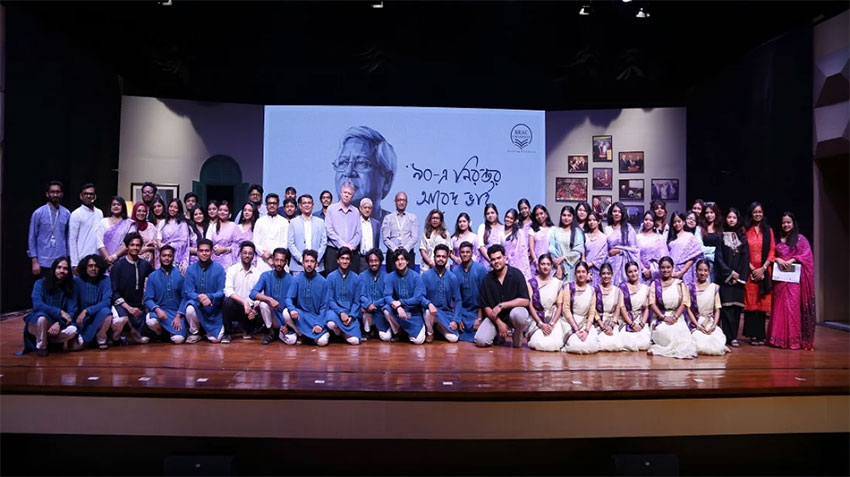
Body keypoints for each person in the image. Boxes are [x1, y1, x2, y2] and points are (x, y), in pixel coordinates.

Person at [768, 212, 816, 350]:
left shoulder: (801, 239)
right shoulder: (777, 238)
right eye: (784, 222)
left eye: (788, 222)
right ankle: (777, 340)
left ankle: (793, 341)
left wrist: (793, 259)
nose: (786, 225)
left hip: (794, 282)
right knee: (779, 308)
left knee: (792, 309)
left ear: (793, 223)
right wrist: (778, 259)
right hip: (779, 280)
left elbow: (807, 256)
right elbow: (771, 255)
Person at [333, 126, 397, 223]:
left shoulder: (395, 225)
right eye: (342, 163)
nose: (348, 172)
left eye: (362, 163)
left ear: (387, 181)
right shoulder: (322, 223)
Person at [474, 244, 531, 348]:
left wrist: (502, 305)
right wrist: (499, 323)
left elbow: (525, 300)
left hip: (513, 315)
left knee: (520, 315)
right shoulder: (487, 279)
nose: (496, 261)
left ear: (505, 257)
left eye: (499, 258)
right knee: (480, 341)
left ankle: (517, 333)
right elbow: (485, 306)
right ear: (490, 261)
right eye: (493, 259)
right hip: (495, 318)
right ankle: (498, 335)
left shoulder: (517, 274)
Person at [21, 257, 80, 356]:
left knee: (73, 330)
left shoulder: (72, 286)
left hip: (58, 324)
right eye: (59, 267)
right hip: (39, 322)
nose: (62, 271)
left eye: (65, 268)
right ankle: (42, 347)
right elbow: (37, 305)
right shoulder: (40, 283)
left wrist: (59, 323)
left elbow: (72, 311)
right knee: (41, 319)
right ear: (53, 269)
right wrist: (59, 312)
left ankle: (49, 340)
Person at [647, 256, 698, 359]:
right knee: (663, 331)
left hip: (677, 317)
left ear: (672, 268)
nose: (665, 270)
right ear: (659, 269)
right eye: (663, 267)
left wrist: (675, 317)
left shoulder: (679, 283)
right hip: (661, 317)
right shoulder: (655, 284)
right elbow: (652, 303)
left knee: (680, 331)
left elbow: (684, 302)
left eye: (668, 267)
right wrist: (663, 317)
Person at [110, 232, 154, 344]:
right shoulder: (118, 266)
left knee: (147, 330)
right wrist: (129, 308)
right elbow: (114, 292)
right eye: (132, 245)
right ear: (127, 246)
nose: (135, 248)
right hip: (122, 306)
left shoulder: (145, 265)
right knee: (122, 319)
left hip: (138, 306)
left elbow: (156, 277)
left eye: (138, 245)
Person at [714, 207, 748, 347]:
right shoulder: (721, 236)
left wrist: (739, 276)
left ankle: (734, 336)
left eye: (734, 217)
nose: (731, 220)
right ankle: (726, 336)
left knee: (736, 309)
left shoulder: (742, 237)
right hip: (726, 278)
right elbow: (718, 257)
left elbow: (745, 258)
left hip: (738, 279)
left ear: (737, 219)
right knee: (726, 308)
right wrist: (729, 273)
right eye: (729, 217)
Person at [250, 248, 298, 345]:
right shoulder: (265, 276)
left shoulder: (291, 280)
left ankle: (280, 332)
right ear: (272, 260)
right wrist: (269, 299)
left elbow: (294, 303)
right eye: (276, 260)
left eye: (282, 261)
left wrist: (287, 326)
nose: (279, 263)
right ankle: (270, 332)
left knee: (291, 340)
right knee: (263, 304)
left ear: (286, 262)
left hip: (284, 319)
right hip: (271, 316)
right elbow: (253, 294)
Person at [143, 245, 189, 345]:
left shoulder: (180, 275)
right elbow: (148, 299)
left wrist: (178, 316)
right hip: (160, 312)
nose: (167, 258)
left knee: (178, 340)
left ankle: (169, 333)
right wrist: (157, 310)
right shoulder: (152, 276)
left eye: (169, 256)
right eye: (164, 255)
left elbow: (184, 297)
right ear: (159, 257)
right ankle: (160, 333)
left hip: (175, 313)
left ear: (173, 257)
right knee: (151, 321)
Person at [183, 238, 226, 343]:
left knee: (216, 339)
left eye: (207, 250)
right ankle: (195, 332)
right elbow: (189, 292)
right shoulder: (191, 269)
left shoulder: (219, 268)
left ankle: (206, 330)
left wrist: (209, 297)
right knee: (189, 309)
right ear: (197, 252)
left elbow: (222, 291)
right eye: (201, 251)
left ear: (211, 252)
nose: (204, 253)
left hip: (214, 310)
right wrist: (200, 298)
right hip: (198, 306)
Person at [743, 201, 774, 346]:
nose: (757, 214)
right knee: (751, 302)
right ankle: (752, 335)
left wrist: (763, 268)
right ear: (751, 213)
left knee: (762, 302)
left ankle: (761, 335)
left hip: (764, 271)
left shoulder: (768, 230)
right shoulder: (745, 230)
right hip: (750, 271)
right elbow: (743, 251)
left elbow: (772, 250)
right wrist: (752, 269)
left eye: (760, 212)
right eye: (755, 212)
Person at [285, 250, 331, 346]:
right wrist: (292, 309)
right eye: (306, 261)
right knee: (286, 312)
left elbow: (325, 307)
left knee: (322, 342)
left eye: (312, 261)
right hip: (301, 317)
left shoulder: (323, 282)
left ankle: (309, 337)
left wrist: (319, 323)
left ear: (316, 264)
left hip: (316, 318)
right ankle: (300, 334)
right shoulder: (297, 279)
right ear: (302, 263)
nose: (309, 264)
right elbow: (288, 298)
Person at [383, 248, 427, 344]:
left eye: (402, 259)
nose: (400, 262)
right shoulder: (390, 277)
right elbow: (387, 296)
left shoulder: (416, 277)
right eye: (397, 260)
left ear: (407, 261)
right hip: (397, 311)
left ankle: (407, 332)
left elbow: (418, 298)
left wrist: (400, 302)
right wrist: (398, 307)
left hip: (414, 313)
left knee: (418, 341)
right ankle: (398, 332)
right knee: (386, 310)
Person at [222, 241, 262, 344]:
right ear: (240, 254)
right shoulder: (232, 269)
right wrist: (244, 302)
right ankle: (227, 333)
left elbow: (259, 294)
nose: (247, 255)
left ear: (253, 256)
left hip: (249, 310)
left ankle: (247, 329)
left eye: (250, 253)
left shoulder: (257, 273)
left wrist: (254, 310)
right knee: (227, 302)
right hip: (235, 307)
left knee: (262, 309)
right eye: (245, 253)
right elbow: (228, 290)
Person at [28, 180, 71, 278]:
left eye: (58, 192)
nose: (55, 195)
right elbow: (32, 238)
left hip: (61, 261)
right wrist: (34, 261)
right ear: (47, 194)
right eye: (52, 192)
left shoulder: (67, 213)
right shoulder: (38, 213)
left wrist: (69, 259)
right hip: (43, 261)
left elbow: (68, 238)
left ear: (62, 194)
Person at [421, 244, 462, 343]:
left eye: (443, 257)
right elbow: (420, 297)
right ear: (434, 257)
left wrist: (456, 320)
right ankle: (430, 332)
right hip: (429, 312)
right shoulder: (425, 276)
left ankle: (439, 327)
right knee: (428, 312)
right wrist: (428, 304)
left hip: (445, 314)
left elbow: (458, 300)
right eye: (438, 256)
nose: (441, 259)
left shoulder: (452, 277)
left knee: (454, 338)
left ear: (447, 258)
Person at [687, 260, 729, 355]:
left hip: (709, 323)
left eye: (705, 270)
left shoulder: (714, 288)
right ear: (696, 271)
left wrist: (714, 325)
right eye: (700, 270)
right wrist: (698, 325)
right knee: (699, 343)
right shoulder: (690, 287)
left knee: (715, 341)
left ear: (709, 272)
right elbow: (688, 309)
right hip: (696, 323)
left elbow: (717, 309)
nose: (703, 273)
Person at [526, 254, 566, 352]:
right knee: (538, 343)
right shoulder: (531, 283)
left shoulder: (558, 283)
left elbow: (559, 306)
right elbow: (530, 306)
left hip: (553, 319)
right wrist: (540, 324)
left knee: (555, 343)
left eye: (548, 264)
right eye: (543, 264)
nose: (545, 267)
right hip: (537, 319)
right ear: (538, 265)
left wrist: (552, 324)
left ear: (552, 266)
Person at [324, 247, 363, 345]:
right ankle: (339, 331)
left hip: (350, 313)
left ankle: (342, 333)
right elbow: (329, 299)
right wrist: (341, 312)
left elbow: (357, 301)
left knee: (355, 341)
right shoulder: (331, 277)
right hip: (335, 312)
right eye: (342, 258)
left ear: (350, 261)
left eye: (347, 259)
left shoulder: (356, 278)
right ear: (338, 260)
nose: (345, 261)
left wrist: (351, 316)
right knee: (331, 323)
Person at [73, 254, 113, 349]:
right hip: (81, 319)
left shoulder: (105, 280)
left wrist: (87, 310)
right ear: (85, 267)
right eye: (90, 266)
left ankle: (101, 338)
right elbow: (73, 304)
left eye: (96, 266)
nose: (93, 268)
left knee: (107, 312)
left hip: (97, 315)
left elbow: (106, 302)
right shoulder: (77, 281)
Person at [452, 241, 487, 343]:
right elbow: (455, 298)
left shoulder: (480, 269)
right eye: (462, 252)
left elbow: (483, 295)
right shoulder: (455, 271)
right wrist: (457, 318)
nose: (465, 254)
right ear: (459, 254)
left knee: (481, 336)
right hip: (462, 312)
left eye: (467, 252)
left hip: (477, 311)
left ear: (472, 253)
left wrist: (479, 318)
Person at [561, 262, 599, 354]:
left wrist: (586, 330)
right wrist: (576, 330)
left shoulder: (591, 290)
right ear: (575, 274)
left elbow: (592, 312)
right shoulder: (569, 287)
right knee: (576, 346)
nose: (581, 274)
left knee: (591, 346)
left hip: (585, 323)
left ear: (587, 274)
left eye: (583, 272)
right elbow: (566, 309)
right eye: (578, 272)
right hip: (570, 322)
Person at [324, 182, 362, 274]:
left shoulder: (356, 211)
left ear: (352, 196)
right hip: (334, 251)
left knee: (352, 279)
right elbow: (329, 230)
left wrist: (350, 246)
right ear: (340, 193)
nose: (346, 195)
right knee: (333, 278)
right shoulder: (331, 209)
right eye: (345, 192)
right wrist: (342, 245)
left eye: (349, 193)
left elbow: (359, 233)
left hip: (351, 251)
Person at [69, 183, 104, 274]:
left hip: (97, 259)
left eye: (91, 194)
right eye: (86, 194)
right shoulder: (76, 214)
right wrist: (74, 263)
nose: (89, 196)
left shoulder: (99, 213)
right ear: (81, 196)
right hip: (82, 259)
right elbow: (72, 239)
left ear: (95, 196)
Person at [288, 194, 328, 275]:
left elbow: (324, 243)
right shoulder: (293, 222)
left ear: (313, 205)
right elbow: (290, 243)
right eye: (304, 203)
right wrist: (301, 259)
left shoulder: (320, 222)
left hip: (316, 266)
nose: (307, 205)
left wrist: (316, 259)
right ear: (299, 205)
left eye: (309, 203)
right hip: (298, 266)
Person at [381, 192, 419, 273]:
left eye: (403, 200)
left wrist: (405, 250)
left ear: (406, 202)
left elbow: (414, 237)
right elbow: (385, 238)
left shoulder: (413, 218)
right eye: (399, 200)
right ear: (395, 202)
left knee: (409, 278)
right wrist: (395, 250)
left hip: (408, 253)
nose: (401, 202)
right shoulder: (388, 218)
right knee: (392, 278)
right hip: (392, 254)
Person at [618, 261, 652, 351]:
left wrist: (641, 324)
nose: (633, 274)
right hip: (627, 320)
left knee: (645, 343)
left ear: (638, 271)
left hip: (640, 320)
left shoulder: (645, 288)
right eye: (630, 272)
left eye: (635, 271)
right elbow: (622, 308)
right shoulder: (622, 288)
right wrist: (632, 324)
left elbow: (647, 308)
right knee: (627, 341)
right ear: (626, 274)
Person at [359, 249, 390, 341]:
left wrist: (374, 304)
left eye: (376, 261)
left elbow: (387, 296)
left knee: (386, 337)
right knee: (363, 309)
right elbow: (361, 295)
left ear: (380, 261)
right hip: (367, 310)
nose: (373, 263)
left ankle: (377, 330)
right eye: (371, 261)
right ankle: (367, 331)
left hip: (380, 311)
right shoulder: (362, 276)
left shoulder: (387, 277)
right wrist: (368, 304)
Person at [605, 202, 639, 286]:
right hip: (611, 263)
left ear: (623, 214)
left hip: (626, 264)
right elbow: (604, 249)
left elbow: (635, 249)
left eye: (619, 212)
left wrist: (620, 251)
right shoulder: (607, 229)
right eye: (614, 211)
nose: (617, 214)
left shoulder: (628, 228)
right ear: (611, 213)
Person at [549, 205, 585, 282]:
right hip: (557, 268)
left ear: (573, 217)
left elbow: (578, 250)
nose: (566, 218)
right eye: (564, 215)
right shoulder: (555, 231)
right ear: (560, 216)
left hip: (572, 267)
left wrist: (563, 258)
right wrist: (558, 266)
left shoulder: (577, 232)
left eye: (569, 215)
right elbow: (551, 249)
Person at [666, 212, 703, 286]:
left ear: (683, 222)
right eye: (674, 222)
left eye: (679, 221)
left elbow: (693, 256)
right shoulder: (670, 238)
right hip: (671, 270)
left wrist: (683, 271)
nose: (677, 224)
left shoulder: (690, 237)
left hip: (686, 270)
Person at [254, 193, 288, 271]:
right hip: (263, 260)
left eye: (274, 203)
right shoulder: (260, 221)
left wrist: (273, 255)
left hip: (279, 260)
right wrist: (264, 255)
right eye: (269, 203)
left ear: (278, 205)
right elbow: (256, 242)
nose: (272, 205)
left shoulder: (284, 222)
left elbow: (285, 242)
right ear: (266, 205)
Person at [596, 263, 626, 352]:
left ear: (612, 275)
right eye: (603, 273)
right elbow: (593, 309)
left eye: (608, 273)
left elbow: (617, 309)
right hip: (598, 323)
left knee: (617, 345)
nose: (606, 276)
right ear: (600, 275)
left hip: (612, 323)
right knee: (599, 344)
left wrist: (611, 325)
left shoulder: (618, 291)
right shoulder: (595, 289)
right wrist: (602, 325)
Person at [158, 198, 191, 272]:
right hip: (164, 255)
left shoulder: (182, 224)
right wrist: (161, 245)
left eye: (175, 207)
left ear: (179, 210)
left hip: (177, 257)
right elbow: (159, 241)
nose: (172, 209)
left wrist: (169, 245)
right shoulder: (163, 222)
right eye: (171, 206)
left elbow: (184, 243)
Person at [637, 211, 668, 286]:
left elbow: (663, 256)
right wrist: (643, 269)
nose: (648, 222)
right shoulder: (637, 237)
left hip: (656, 272)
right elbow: (635, 255)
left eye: (651, 220)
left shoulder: (659, 238)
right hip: (640, 271)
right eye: (646, 219)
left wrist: (652, 271)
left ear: (654, 222)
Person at [97, 196, 129, 267]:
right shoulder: (103, 222)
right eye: (114, 204)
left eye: (119, 204)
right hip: (105, 260)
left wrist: (114, 257)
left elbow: (129, 243)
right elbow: (99, 242)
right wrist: (108, 259)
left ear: (123, 207)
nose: (116, 206)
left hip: (123, 260)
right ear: (110, 208)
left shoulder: (129, 223)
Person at [502, 208, 532, 280]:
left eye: (511, 218)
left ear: (515, 220)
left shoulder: (519, 233)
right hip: (503, 263)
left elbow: (523, 251)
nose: (508, 220)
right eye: (507, 217)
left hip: (516, 264)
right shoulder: (500, 231)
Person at [208, 200, 238, 270]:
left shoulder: (233, 226)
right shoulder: (213, 226)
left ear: (229, 213)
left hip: (229, 261)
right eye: (220, 210)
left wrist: (225, 249)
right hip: (214, 260)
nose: (222, 212)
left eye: (225, 210)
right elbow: (208, 243)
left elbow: (237, 244)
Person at [419, 209, 451, 273]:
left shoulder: (446, 234)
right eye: (433, 218)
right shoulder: (425, 234)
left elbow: (449, 250)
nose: (435, 220)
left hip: (443, 266)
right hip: (427, 267)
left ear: (440, 220)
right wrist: (431, 263)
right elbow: (423, 250)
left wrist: (440, 263)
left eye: (437, 218)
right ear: (430, 220)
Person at [356, 198, 382, 273]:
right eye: (365, 207)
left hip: (372, 259)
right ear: (360, 209)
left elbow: (377, 242)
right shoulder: (355, 222)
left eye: (369, 208)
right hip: (360, 258)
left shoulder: (376, 224)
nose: (367, 210)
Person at [475, 203, 504, 270]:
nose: (490, 215)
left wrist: (498, 260)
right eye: (488, 213)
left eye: (492, 213)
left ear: (496, 213)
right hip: (486, 261)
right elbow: (481, 246)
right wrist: (491, 260)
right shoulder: (482, 227)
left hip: (500, 262)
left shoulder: (503, 228)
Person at [700, 202, 723, 282]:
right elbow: (700, 248)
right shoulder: (700, 228)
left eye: (711, 212)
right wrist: (717, 250)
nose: (709, 215)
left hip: (719, 264)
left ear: (716, 213)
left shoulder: (721, 228)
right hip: (705, 263)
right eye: (706, 213)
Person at [528, 205, 553, 277]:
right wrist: (536, 261)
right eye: (537, 215)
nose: (539, 216)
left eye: (541, 213)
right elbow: (531, 248)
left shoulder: (553, 229)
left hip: (549, 263)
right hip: (536, 264)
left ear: (546, 214)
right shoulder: (532, 229)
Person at [583, 211, 608, 284]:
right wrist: (585, 268)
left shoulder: (604, 237)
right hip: (585, 270)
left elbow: (603, 255)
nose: (591, 222)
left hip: (598, 270)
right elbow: (582, 254)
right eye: (589, 220)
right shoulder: (584, 236)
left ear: (599, 221)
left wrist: (591, 264)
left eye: (594, 220)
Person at [232, 202, 258, 267]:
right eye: (245, 210)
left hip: (251, 259)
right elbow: (234, 245)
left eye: (249, 210)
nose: (246, 212)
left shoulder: (256, 228)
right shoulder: (237, 227)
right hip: (236, 258)